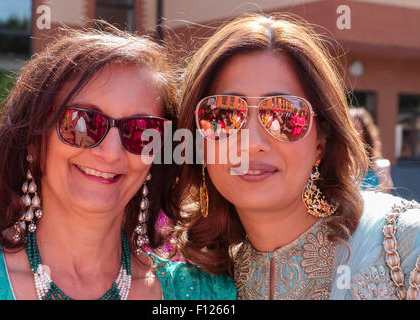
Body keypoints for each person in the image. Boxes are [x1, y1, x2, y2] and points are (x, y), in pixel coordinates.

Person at [0, 24, 235, 300]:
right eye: (82, 123)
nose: (111, 152)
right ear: (33, 138)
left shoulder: (204, 295)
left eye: (140, 131)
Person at [167, 14, 420, 300]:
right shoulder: (199, 282)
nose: (252, 144)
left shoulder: (401, 246)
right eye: (223, 115)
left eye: (283, 115)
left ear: (321, 142)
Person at [349, 107, 394, 193]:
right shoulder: (338, 166)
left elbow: (385, 199)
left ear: (366, 133)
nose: (353, 134)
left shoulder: (381, 168)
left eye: (357, 130)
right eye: (349, 130)